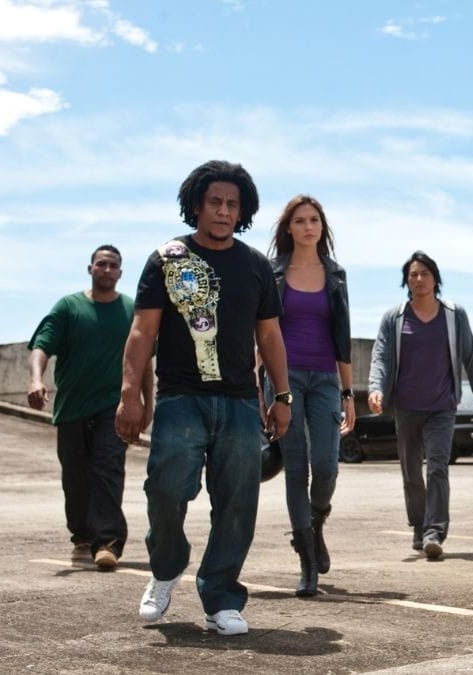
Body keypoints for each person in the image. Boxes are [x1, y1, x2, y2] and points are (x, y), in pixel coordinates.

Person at [116, 160, 291, 637]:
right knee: (166, 493)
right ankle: (166, 568)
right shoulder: (168, 259)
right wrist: (130, 394)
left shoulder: (256, 266)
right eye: (215, 201)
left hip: (239, 402)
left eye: (233, 204)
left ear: (243, 211)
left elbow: (270, 336)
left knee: (237, 505)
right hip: (180, 398)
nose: (223, 211)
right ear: (196, 204)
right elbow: (141, 332)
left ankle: (221, 598)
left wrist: (282, 396)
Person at [27, 244, 152, 570]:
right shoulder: (69, 307)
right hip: (72, 408)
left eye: (113, 265)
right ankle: (82, 537)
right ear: (90, 268)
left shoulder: (131, 310)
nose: (107, 270)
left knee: (108, 468)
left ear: (120, 272)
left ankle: (108, 542)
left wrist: (146, 404)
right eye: (101, 264)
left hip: (114, 406)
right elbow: (41, 347)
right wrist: (36, 380)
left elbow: (144, 363)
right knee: (75, 477)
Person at [263, 194, 355, 597]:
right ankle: (306, 560)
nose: (307, 227)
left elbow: (342, 336)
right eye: (299, 220)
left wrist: (348, 392)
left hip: (326, 379)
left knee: (327, 466)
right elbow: (262, 329)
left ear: (322, 227)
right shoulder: (273, 272)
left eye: (314, 220)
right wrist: (259, 386)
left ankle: (315, 523)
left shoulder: (336, 274)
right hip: (284, 380)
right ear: (289, 228)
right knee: (296, 468)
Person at [368, 251, 473, 560]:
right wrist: (376, 388)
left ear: (435, 278)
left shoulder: (454, 315)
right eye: (413, 274)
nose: (419, 279)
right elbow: (381, 356)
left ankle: (434, 531)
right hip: (406, 407)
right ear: (407, 280)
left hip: (442, 407)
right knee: (411, 472)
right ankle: (418, 525)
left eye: (425, 274)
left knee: (437, 468)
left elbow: (470, 358)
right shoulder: (394, 318)